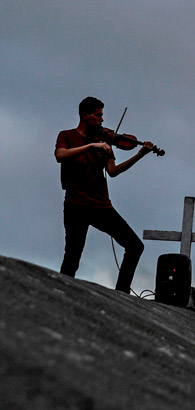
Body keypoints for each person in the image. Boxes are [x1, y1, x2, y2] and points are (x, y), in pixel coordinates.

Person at [55, 96, 156, 293]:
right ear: (85, 115)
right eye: (98, 115)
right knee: (72, 258)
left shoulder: (104, 142)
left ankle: (121, 293)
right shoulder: (67, 135)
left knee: (135, 246)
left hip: (101, 205)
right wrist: (91, 146)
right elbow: (60, 155)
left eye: (102, 116)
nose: (102, 120)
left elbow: (113, 171)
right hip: (76, 204)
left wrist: (139, 155)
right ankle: (59, 295)